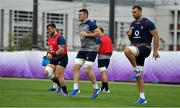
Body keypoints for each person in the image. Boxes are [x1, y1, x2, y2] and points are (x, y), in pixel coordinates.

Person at [124, 5, 160, 104]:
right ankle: (143, 98)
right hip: (136, 48)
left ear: (140, 11)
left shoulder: (147, 23)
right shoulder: (132, 24)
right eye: (132, 12)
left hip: (145, 48)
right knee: (138, 76)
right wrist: (129, 35)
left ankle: (135, 69)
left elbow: (156, 36)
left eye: (135, 12)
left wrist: (155, 51)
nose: (133, 14)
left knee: (127, 51)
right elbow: (132, 40)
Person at [68, 9, 102, 100]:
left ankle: (96, 88)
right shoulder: (80, 25)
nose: (79, 16)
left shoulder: (91, 23)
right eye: (78, 14)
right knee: (75, 67)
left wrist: (87, 34)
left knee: (87, 70)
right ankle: (76, 89)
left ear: (86, 15)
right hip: (83, 49)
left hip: (91, 49)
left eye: (80, 14)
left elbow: (100, 33)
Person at [44, 23, 68, 96]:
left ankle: (65, 91)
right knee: (46, 72)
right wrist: (47, 54)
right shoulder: (49, 37)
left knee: (58, 75)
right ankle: (59, 84)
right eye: (47, 29)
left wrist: (52, 55)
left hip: (62, 58)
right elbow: (50, 48)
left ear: (54, 28)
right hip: (54, 59)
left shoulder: (60, 38)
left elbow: (61, 50)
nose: (48, 31)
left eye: (50, 29)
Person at [96, 27, 113, 93]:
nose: (97, 32)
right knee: (104, 73)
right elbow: (111, 49)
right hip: (108, 58)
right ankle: (103, 87)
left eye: (98, 31)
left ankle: (106, 89)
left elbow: (97, 49)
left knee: (103, 73)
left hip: (101, 57)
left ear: (101, 31)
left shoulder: (99, 39)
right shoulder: (108, 38)